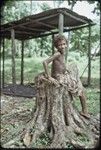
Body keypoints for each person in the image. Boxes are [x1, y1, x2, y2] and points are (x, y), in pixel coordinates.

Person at [43, 34, 90, 118]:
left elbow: (61, 64)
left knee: (79, 84)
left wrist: (66, 69)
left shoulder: (62, 53)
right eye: (60, 45)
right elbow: (45, 62)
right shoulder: (57, 54)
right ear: (56, 46)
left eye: (64, 44)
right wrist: (48, 77)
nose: (63, 46)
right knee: (81, 90)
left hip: (63, 75)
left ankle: (84, 110)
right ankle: (85, 111)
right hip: (59, 77)